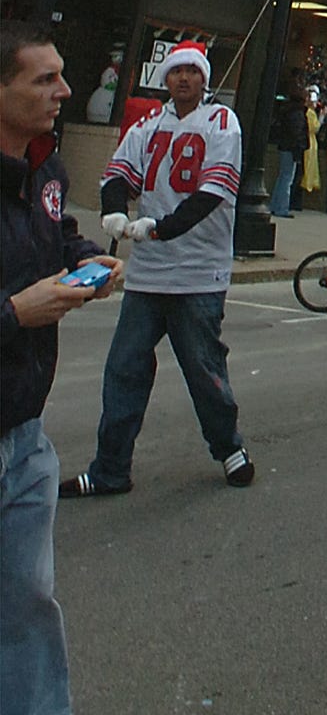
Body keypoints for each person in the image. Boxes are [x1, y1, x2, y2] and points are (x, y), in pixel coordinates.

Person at [59, 43, 254, 499]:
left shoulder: (223, 123)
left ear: (205, 79)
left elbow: (213, 193)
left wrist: (161, 229)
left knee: (203, 370)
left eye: (192, 71)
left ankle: (228, 447)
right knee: (124, 369)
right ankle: (110, 470)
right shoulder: (148, 125)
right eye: (175, 71)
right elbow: (117, 175)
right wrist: (112, 212)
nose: (183, 78)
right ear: (164, 79)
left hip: (197, 274)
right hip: (147, 275)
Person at [2, 24, 122, 715]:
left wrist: (89, 260)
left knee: (26, 606)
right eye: (45, 79)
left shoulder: (45, 172)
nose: (66, 92)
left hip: (25, 440)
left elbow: (58, 239)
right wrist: (17, 312)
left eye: (62, 75)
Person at [269, 86, 307, 219]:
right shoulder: (298, 113)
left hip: (285, 146)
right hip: (292, 148)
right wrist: (300, 147)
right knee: (287, 179)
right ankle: (282, 208)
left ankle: (275, 205)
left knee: (282, 177)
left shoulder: (287, 111)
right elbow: (297, 133)